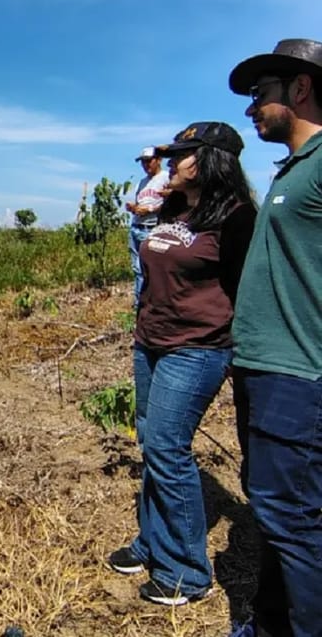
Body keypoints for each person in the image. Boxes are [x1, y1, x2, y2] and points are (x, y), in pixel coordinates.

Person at [106, 122, 256, 607]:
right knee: (152, 445)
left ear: (210, 160)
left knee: (169, 449)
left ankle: (186, 573)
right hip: (150, 341)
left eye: (183, 154)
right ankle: (153, 543)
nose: (171, 161)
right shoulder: (173, 206)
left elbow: (246, 292)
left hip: (197, 349)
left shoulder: (236, 218)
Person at [225, 38, 322, 637]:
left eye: (261, 94)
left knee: (292, 519)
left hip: (298, 374)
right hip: (273, 368)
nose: (251, 108)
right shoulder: (295, 170)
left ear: (301, 88)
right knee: (282, 514)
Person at [125, 148, 169, 308]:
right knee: (137, 268)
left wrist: (150, 209)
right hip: (136, 226)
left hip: (152, 228)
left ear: (158, 160)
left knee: (150, 268)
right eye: (143, 161)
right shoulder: (142, 183)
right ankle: (138, 303)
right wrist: (134, 208)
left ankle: (151, 303)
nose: (145, 164)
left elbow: (171, 202)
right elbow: (141, 203)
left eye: (148, 160)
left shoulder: (166, 178)